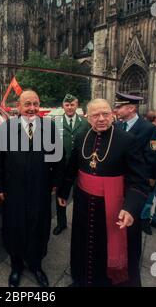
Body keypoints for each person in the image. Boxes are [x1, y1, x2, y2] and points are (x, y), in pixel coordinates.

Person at [58, 98, 149, 287]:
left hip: (114, 206)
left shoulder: (127, 140)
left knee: (108, 248)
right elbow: (72, 167)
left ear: (112, 114)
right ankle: (82, 280)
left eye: (105, 114)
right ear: (88, 118)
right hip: (83, 202)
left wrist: (131, 208)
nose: (101, 119)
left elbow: (139, 180)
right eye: (96, 115)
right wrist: (63, 191)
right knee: (84, 245)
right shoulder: (82, 136)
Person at [0, 90, 62, 287]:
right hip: (14, 190)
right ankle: (16, 266)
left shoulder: (50, 127)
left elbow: (58, 158)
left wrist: (54, 183)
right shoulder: (6, 128)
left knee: (38, 226)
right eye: (27, 104)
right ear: (19, 107)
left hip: (40, 189)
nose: (32, 108)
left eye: (35, 104)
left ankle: (36, 265)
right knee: (15, 227)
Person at [113, 92, 156, 235]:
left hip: (137, 180)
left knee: (135, 213)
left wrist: (150, 181)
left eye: (119, 107)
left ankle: (142, 222)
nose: (116, 110)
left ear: (131, 109)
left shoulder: (149, 129)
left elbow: (154, 157)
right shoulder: (118, 125)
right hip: (120, 178)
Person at [52, 94, 89, 236]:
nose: (69, 107)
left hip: (80, 168)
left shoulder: (85, 123)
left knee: (80, 196)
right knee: (60, 196)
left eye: (72, 104)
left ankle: (80, 224)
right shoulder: (56, 122)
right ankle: (61, 223)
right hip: (61, 168)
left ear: (76, 105)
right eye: (67, 105)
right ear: (63, 106)